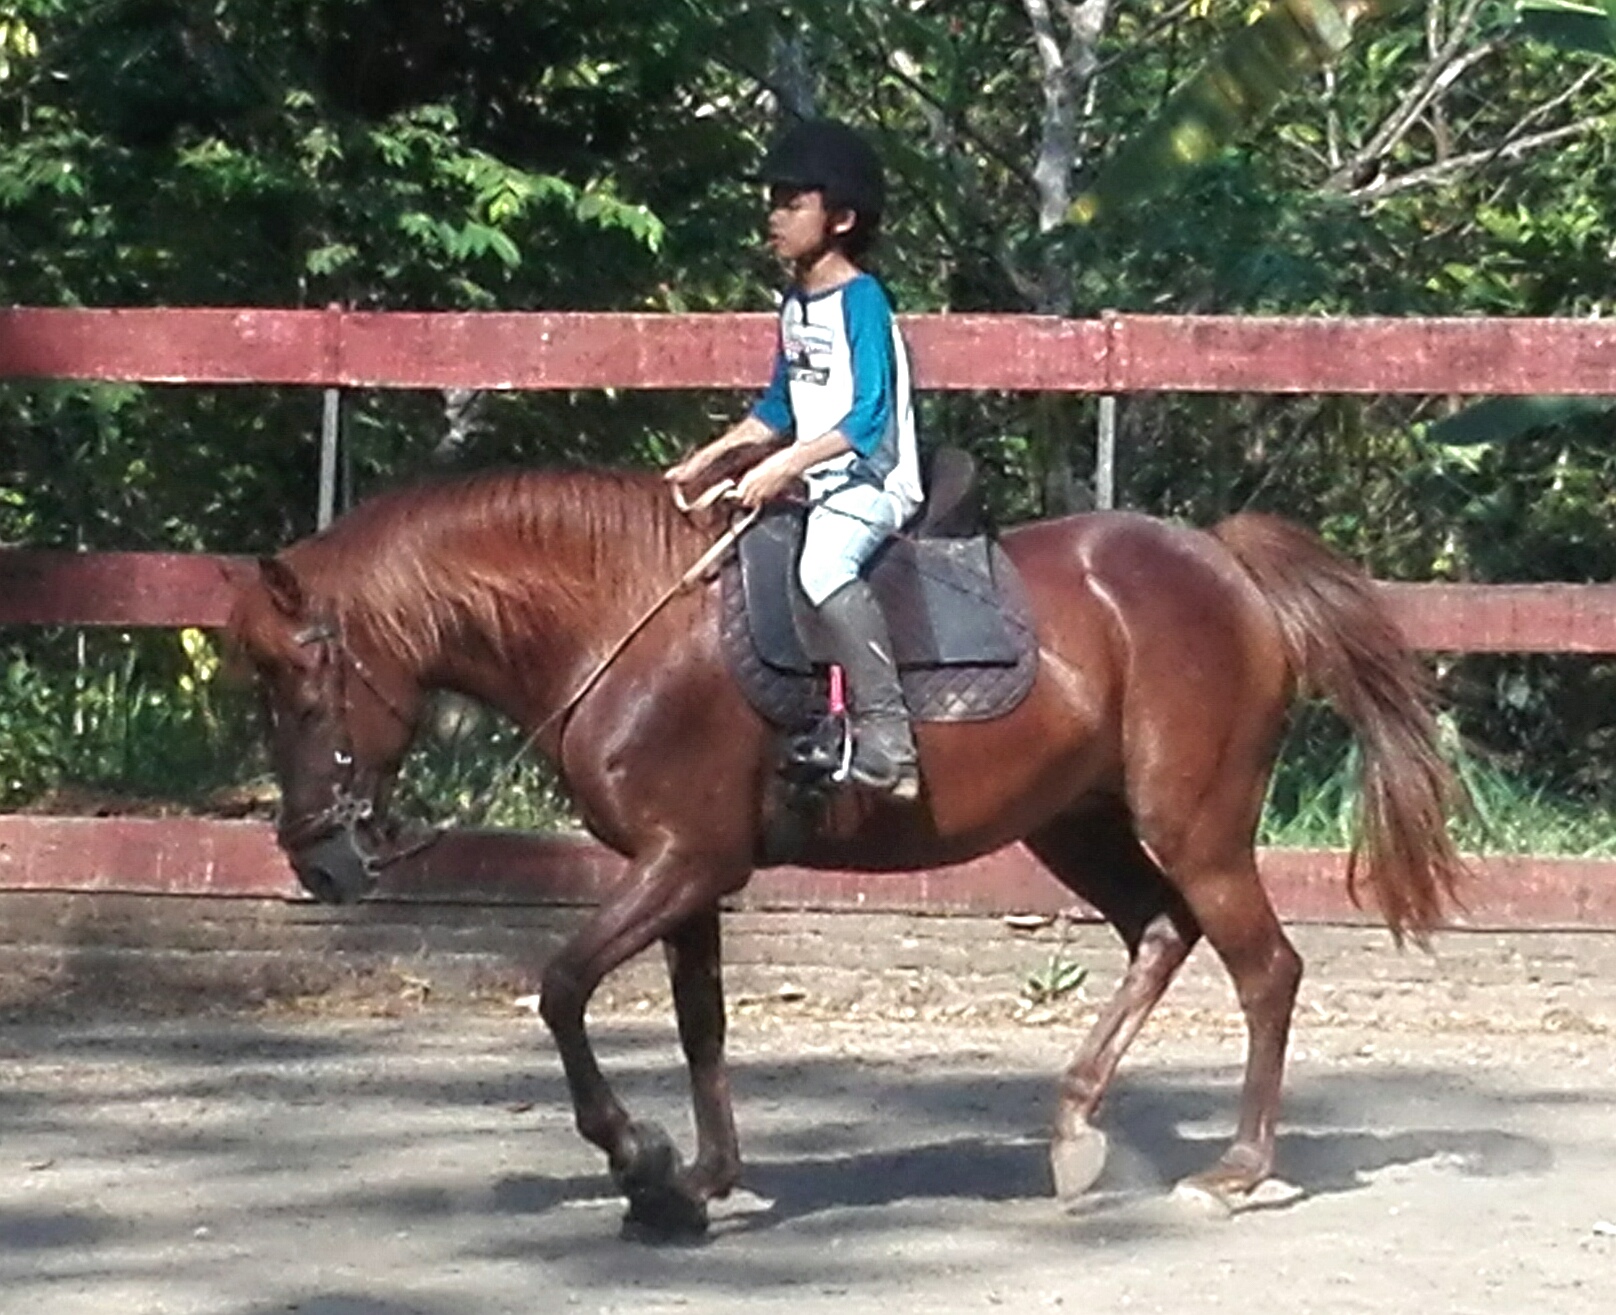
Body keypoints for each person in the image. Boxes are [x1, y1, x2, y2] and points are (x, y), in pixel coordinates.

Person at [666, 118, 924, 800]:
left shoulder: (863, 300)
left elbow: (870, 415)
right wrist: (713, 456)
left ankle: (890, 742)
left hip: (875, 477)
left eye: (791, 203)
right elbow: (781, 404)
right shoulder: (794, 302)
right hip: (822, 476)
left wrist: (784, 466)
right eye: (773, 200)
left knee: (823, 564)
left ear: (839, 218)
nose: (773, 216)